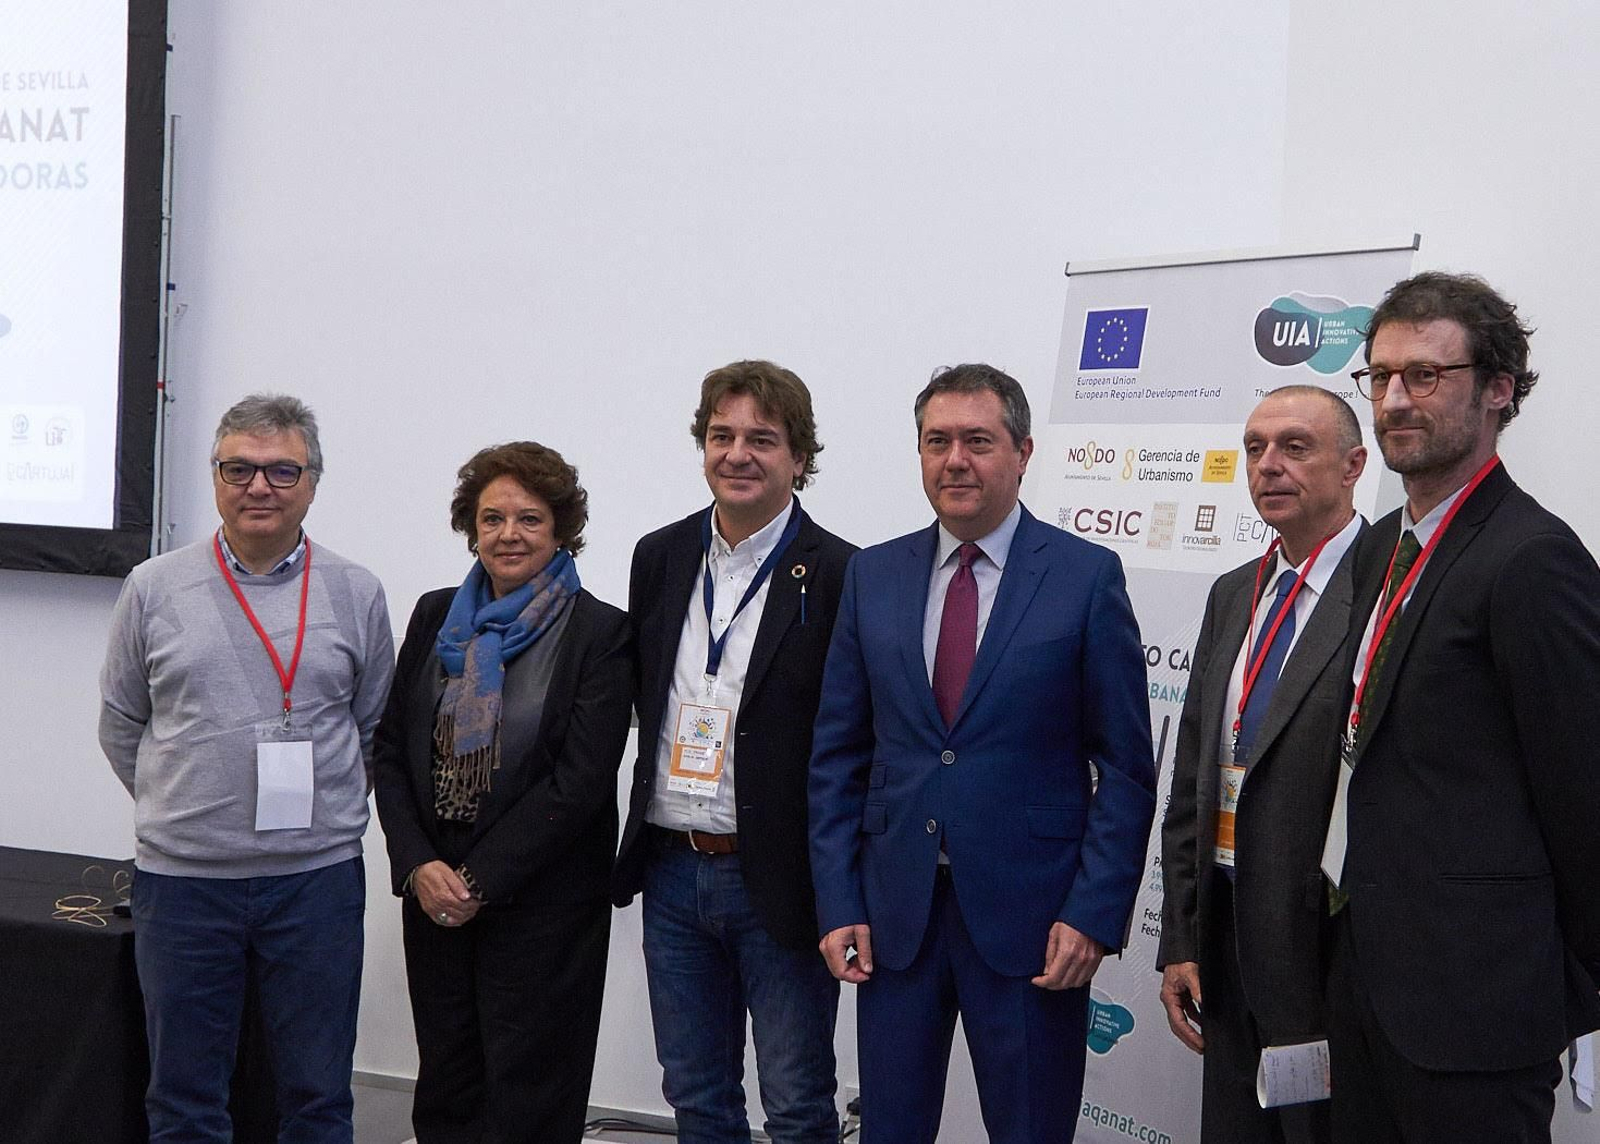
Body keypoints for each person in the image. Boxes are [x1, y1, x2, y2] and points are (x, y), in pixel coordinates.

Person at [809, 363, 1155, 1144]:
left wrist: (1093, 914)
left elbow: (1129, 770)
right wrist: (838, 900)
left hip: (1034, 927)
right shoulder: (873, 575)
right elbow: (838, 753)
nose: (955, 460)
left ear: (1023, 451)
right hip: (896, 922)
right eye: (937, 442)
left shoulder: (1083, 577)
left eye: (978, 441)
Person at [1324, 271, 1600, 1142]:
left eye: (1426, 376)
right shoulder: (1378, 551)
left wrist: (1579, 1000)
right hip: (1366, 984)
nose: (1396, 399)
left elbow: (1584, 797)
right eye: (1380, 376)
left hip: (1477, 1014)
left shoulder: (1533, 562)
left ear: (1498, 390)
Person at [99, 393, 394, 1142]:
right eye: (240, 469)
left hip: (315, 884)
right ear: (216, 478)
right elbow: (123, 724)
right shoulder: (154, 587)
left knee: (317, 1095)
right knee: (186, 1097)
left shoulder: (355, 592)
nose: (259, 487)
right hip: (186, 885)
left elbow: (373, 729)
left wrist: (317, 810)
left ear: (313, 482)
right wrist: (192, 803)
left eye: (280, 470)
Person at [613, 360, 856, 1143]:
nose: (738, 454)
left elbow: (855, 738)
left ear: (799, 457)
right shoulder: (660, 555)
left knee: (795, 1101)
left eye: (762, 438)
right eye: (722, 436)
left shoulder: (844, 573)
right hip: (672, 870)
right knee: (695, 1092)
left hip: (780, 880)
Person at [372, 441, 631, 1143]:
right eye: (492, 518)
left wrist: (477, 880)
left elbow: (578, 782)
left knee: (530, 1100)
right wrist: (418, 866)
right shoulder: (434, 617)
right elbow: (391, 750)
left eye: (529, 519)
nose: (508, 535)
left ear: (560, 529)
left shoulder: (598, 632)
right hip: (434, 899)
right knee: (448, 1091)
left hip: (543, 907)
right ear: (471, 526)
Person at [1157, 386, 1368, 1144]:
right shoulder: (1233, 593)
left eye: (1294, 447)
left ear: (1354, 466)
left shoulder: (1384, 591)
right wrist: (1181, 938)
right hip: (1224, 938)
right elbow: (1192, 778)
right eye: (1254, 448)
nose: (1268, 465)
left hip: (1328, 955)